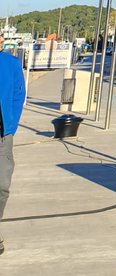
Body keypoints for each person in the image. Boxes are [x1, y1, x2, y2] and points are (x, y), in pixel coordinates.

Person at [1, 49, 27, 257]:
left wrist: (10, 124)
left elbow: (19, 94)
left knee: (2, 186)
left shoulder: (10, 63)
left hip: (2, 136)